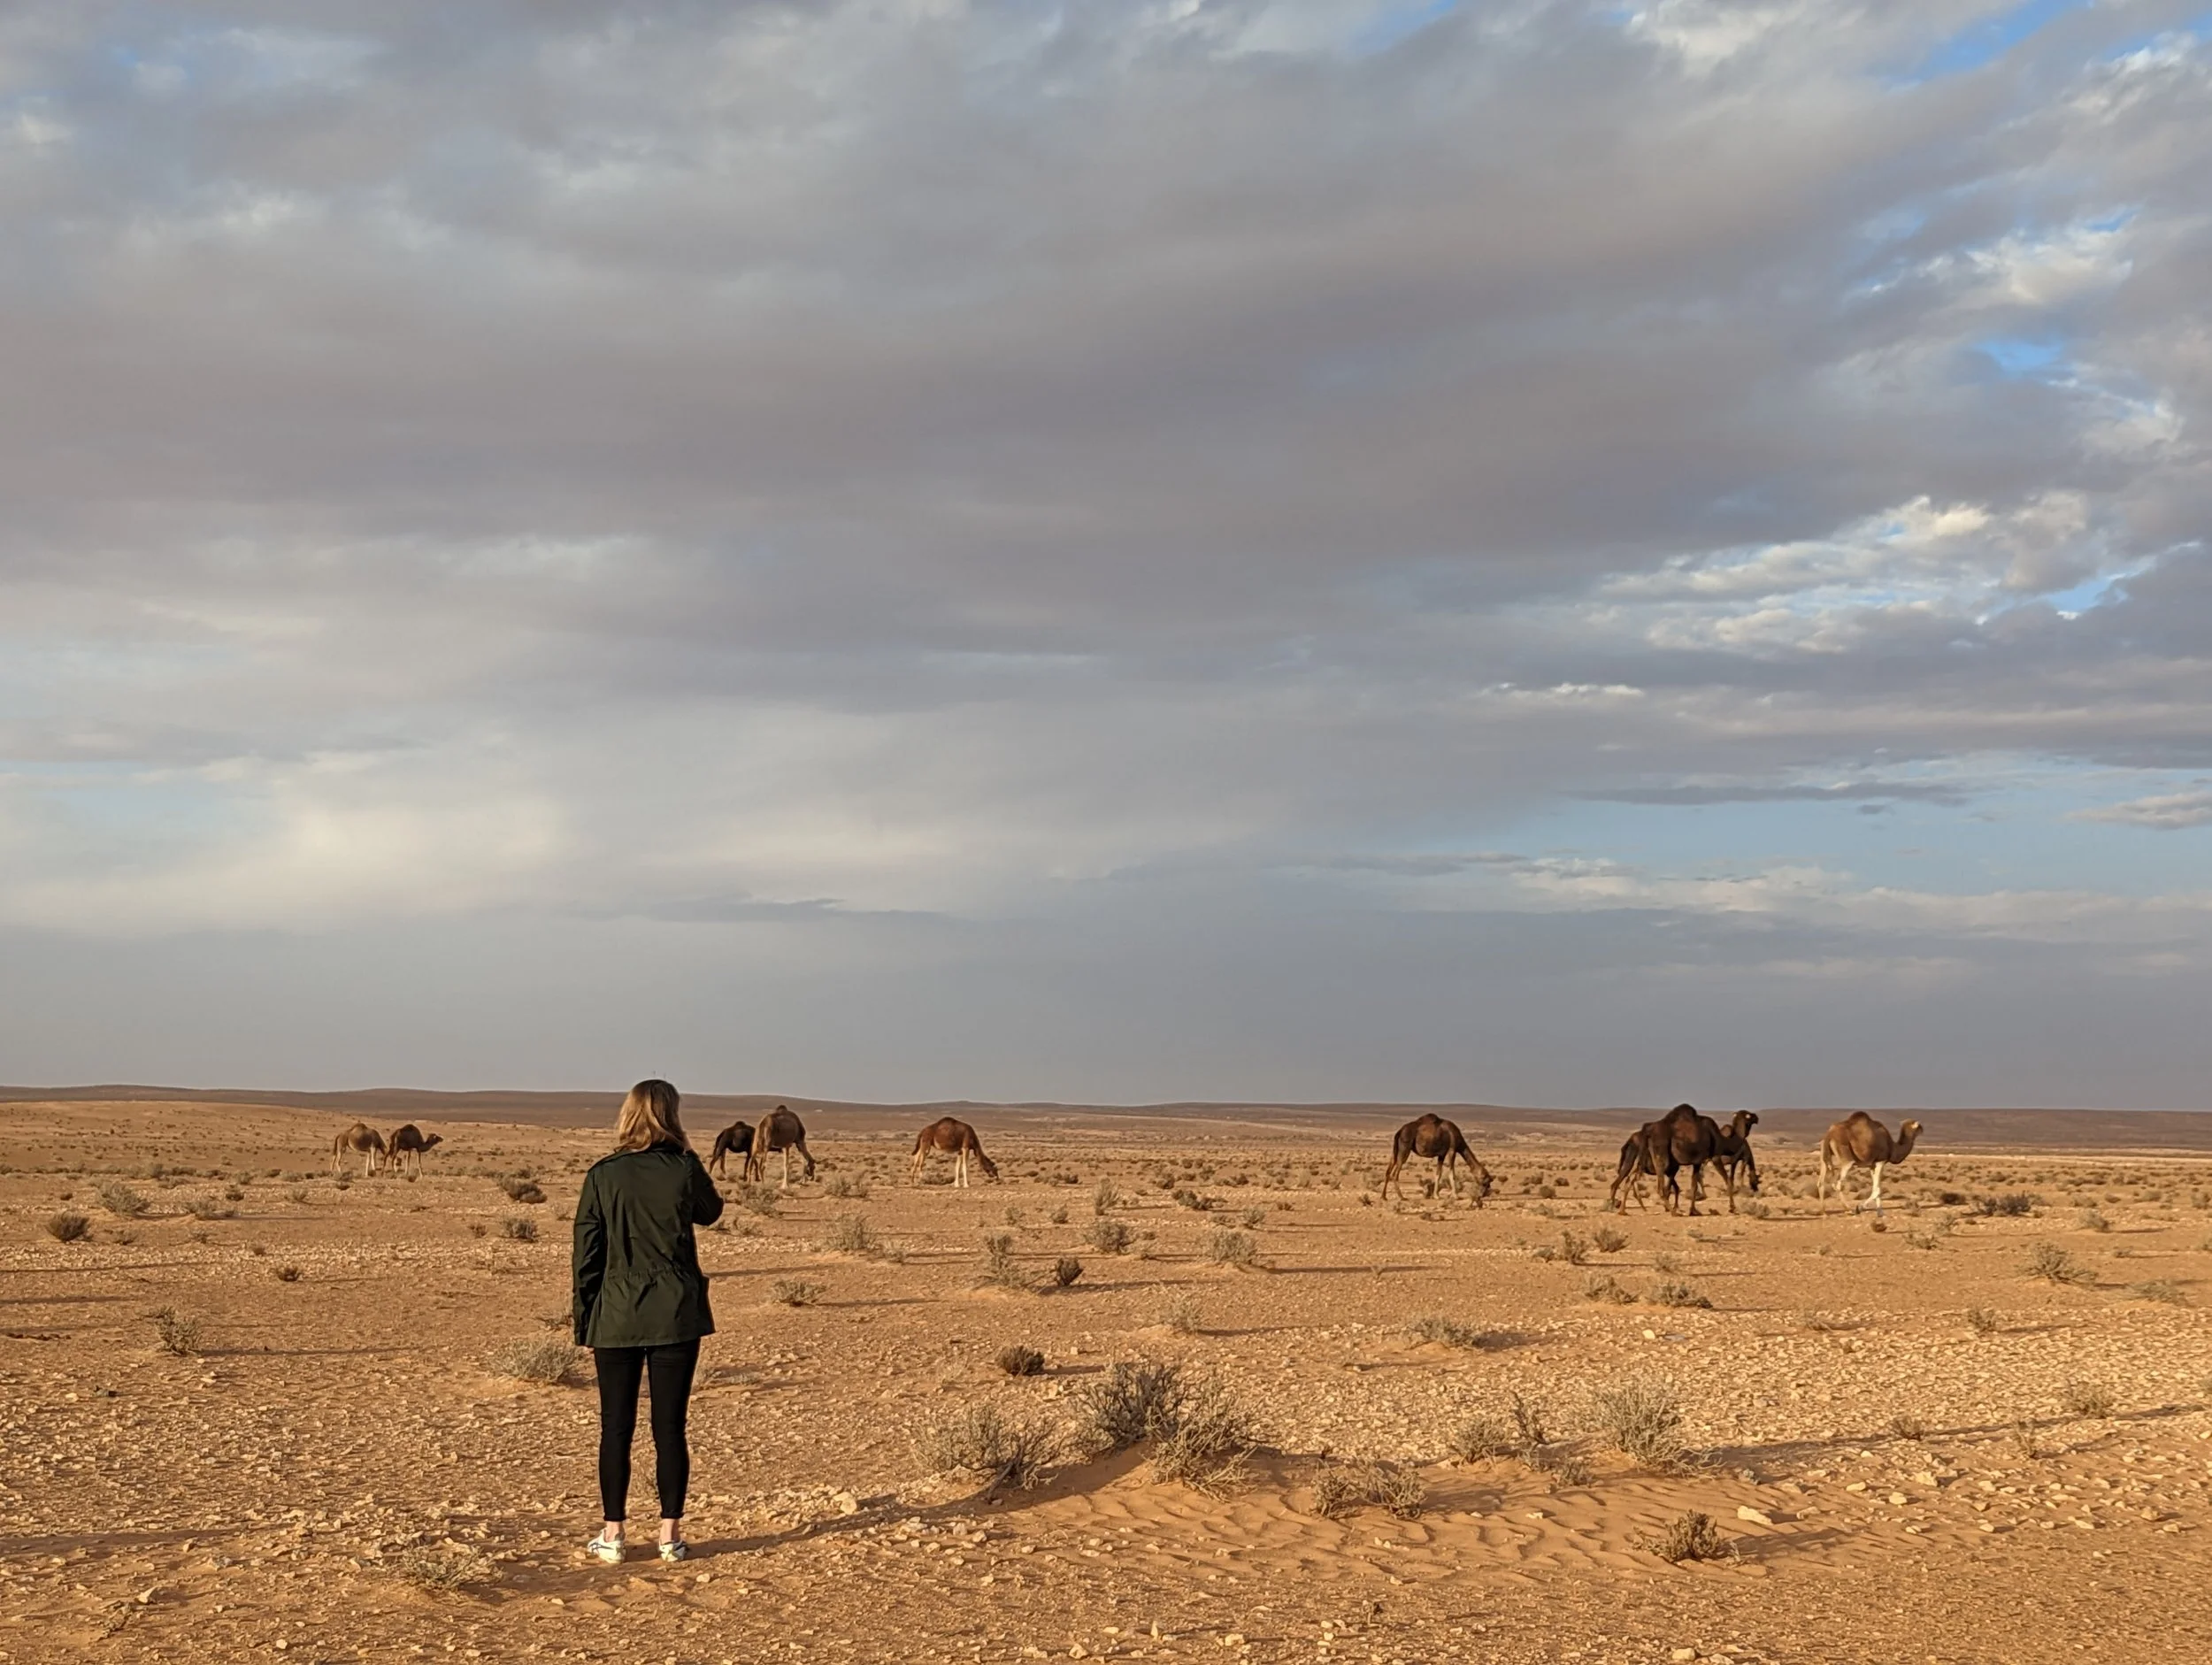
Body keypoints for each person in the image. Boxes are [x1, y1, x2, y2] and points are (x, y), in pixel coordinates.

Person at [572, 1078, 725, 1562]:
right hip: (675, 1313)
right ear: (672, 1115)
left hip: (615, 1314)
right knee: (670, 1428)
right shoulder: (683, 1167)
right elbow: (711, 1212)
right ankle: (669, 1535)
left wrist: (585, 1320)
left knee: (615, 1426)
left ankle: (613, 1534)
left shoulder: (603, 1174)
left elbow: (586, 1255)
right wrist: (687, 1154)